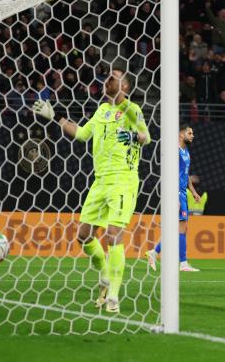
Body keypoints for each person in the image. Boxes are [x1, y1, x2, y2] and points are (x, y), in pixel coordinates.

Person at [33, 68, 150, 314]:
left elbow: (145, 137)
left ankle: (114, 296)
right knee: (84, 235)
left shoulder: (132, 110)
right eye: (108, 76)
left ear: (125, 87)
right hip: (100, 182)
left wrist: (131, 135)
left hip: (123, 180)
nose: (108, 79)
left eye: (114, 77)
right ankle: (105, 275)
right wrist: (56, 117)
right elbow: (82, 134)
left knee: (113, 234)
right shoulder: (102, 111)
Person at [146, 125, 201, 272]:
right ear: (181, 135)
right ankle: (183, 264)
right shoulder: (174, 151)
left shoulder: (186, 152)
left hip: (182, 193)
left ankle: (154, 252)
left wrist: (194, 192)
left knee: (178, 229)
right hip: (175, 193)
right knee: (181, 229)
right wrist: (173, 195)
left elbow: (186, 174)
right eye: (190, 133)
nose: (192, 135)